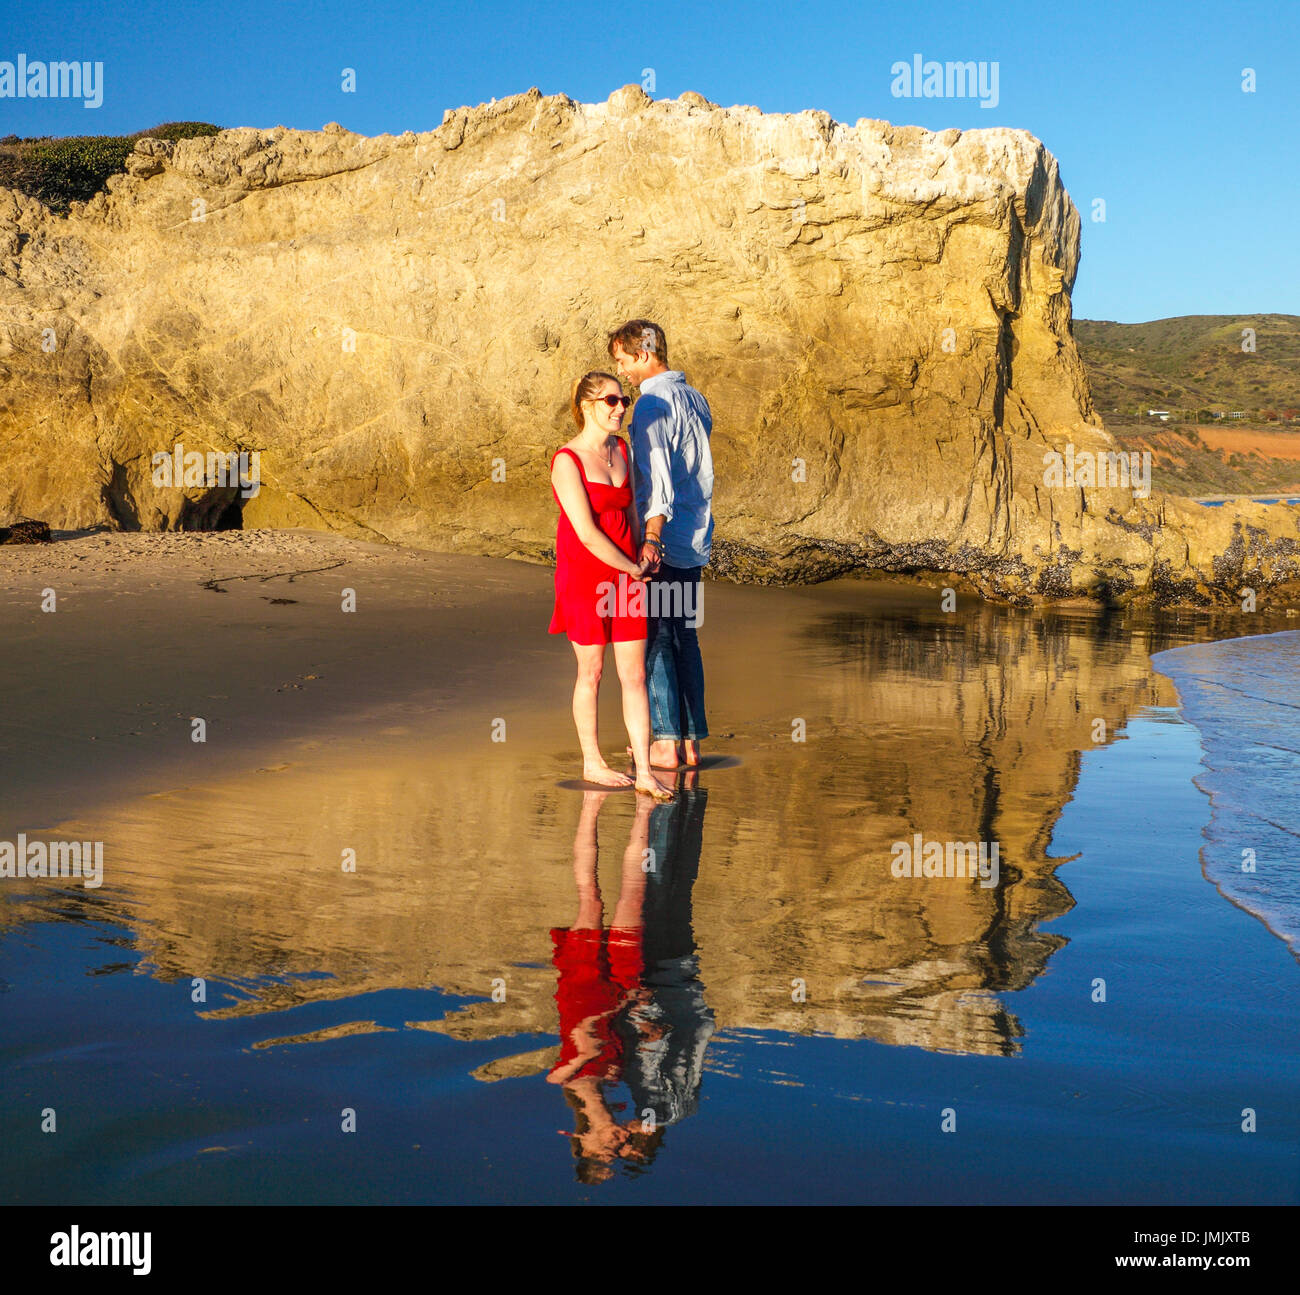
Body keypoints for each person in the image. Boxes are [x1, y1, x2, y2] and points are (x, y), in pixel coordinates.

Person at [549, 371, 675, 800]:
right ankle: (592, 762)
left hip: (628, 574)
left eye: (623, 399)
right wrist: (628, 567)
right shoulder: (566, 460)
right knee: (593, 671)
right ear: (587, 407)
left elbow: (635, 513)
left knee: (635, 674)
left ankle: (644, 771)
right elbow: (585, 532)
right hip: (587, 576)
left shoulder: (622, 450)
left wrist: (644, 552)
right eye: (610, 401)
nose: (621, 407)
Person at [608, 320, 713, 771]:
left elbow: (659, 480)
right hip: (695, 535)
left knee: (656, 638)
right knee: (685, 635)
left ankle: (666, 743)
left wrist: (649, 537)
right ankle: (690, 741)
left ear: (644, 354)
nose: (622, 372)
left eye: (623, 361)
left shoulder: (651, 403)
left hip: (664, 538)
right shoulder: (695, 398)